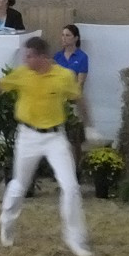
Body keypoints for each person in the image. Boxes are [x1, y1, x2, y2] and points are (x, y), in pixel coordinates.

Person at [0, 36, 94, 256]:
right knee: (19, 184)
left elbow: (79, 98)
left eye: (29, 56)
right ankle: (7, 221)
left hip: (55, 137)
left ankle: (75, 237)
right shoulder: (22, 74)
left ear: (41, 57)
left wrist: (89, 126)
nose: (25, 60)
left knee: (70, 186)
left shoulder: (63, 76)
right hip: (27, 136)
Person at [54, 24, 90, 174]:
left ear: (76, 38)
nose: (64, 38)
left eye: (68, 35)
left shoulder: (82, 57)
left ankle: (76, 171)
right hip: (58, 102)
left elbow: (80, 82)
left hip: (72, 102)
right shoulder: (57, 57)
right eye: (63, 35)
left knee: (74, 138)